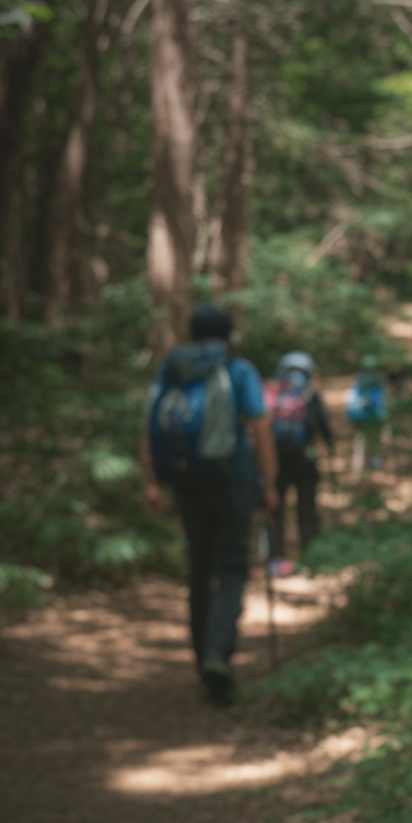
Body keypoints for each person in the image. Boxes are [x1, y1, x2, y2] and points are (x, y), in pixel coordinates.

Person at [140, 302, 278, 705]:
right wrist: (268, 484)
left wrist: (152, 482)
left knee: (199, 567)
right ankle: (218, 655)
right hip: (229, 479)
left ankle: (203, 659)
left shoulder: (171, 372)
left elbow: (150, 427)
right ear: (228, 334)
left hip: (185, 482)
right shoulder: (237, 371)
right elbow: (261, 428)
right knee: (233, 566)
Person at [264, 350, 333, 576]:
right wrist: (330, 451)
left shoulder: (273, 392)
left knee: (276, 510)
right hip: (305, 460)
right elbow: (322, 426)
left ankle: (275, 560)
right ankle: (311, 559)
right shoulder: (310, 392)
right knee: (307, 509)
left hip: (275, 462)